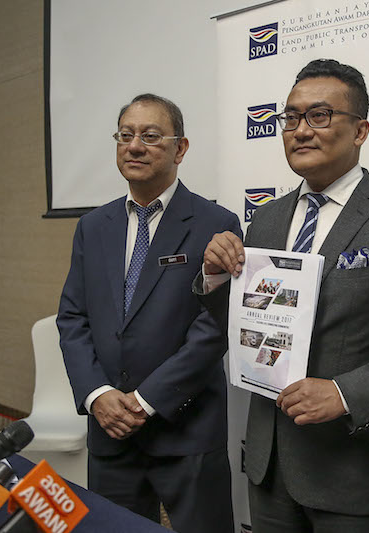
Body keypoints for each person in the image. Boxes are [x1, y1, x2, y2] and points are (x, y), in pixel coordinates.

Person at [195, 59, 369, 532]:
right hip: (269, 463)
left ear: (360, 130)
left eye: (319, 116)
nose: (300, 130)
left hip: (352, 470)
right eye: (291, 118)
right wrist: (217, 280)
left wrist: (344, 393)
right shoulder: (267, 220)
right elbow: (248, 326)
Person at [57, 94, 239, 532]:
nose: (134, 146)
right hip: (110, 430)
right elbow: (72, 318)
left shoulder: (217, 223)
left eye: (151, 136)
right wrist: (98, 395)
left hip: (186, 430)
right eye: (125, 135)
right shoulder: (93, 226)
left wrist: (144, 401)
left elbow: (214, 329)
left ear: (181, 148)